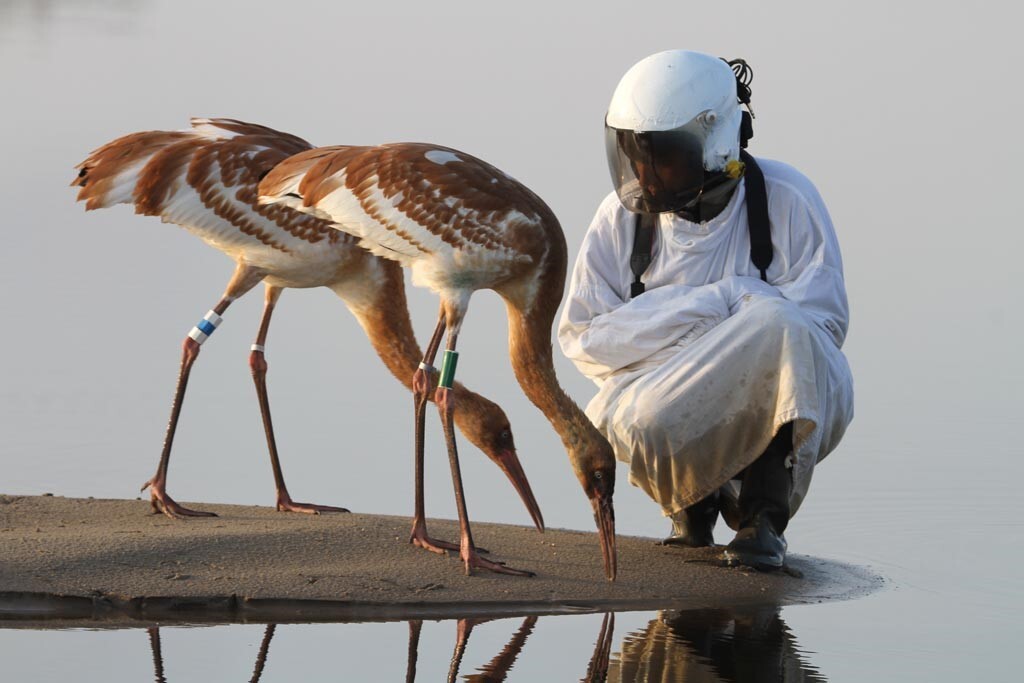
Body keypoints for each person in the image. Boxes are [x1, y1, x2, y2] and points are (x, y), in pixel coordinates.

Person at [558, 50, 854, 570]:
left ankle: (762, 516)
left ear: (715, 142)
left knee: (779, 326)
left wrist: (734, 335)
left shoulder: (787, 198)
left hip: (780, 392)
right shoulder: (619, 219)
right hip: (659, 397)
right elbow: (582, 337)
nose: (646, 176)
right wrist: (722, 301)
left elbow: (823, 327)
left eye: (664, 156)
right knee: (649, 412)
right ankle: (691, 510)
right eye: (635, 155)